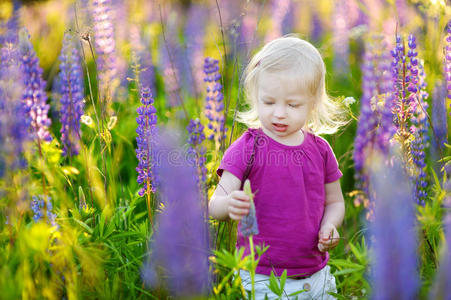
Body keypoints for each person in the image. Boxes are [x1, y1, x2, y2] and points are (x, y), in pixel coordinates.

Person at [208, 35, 348, 300]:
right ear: (256, 97)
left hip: (317, 274)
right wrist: (229, 206)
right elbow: (215, 204)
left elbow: (335, 202)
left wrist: (330, 225)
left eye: (293, 105)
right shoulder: (247, 148)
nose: (279, 113)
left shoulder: (321, 150)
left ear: (313, 103)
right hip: (261, 276)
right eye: (269, 102)